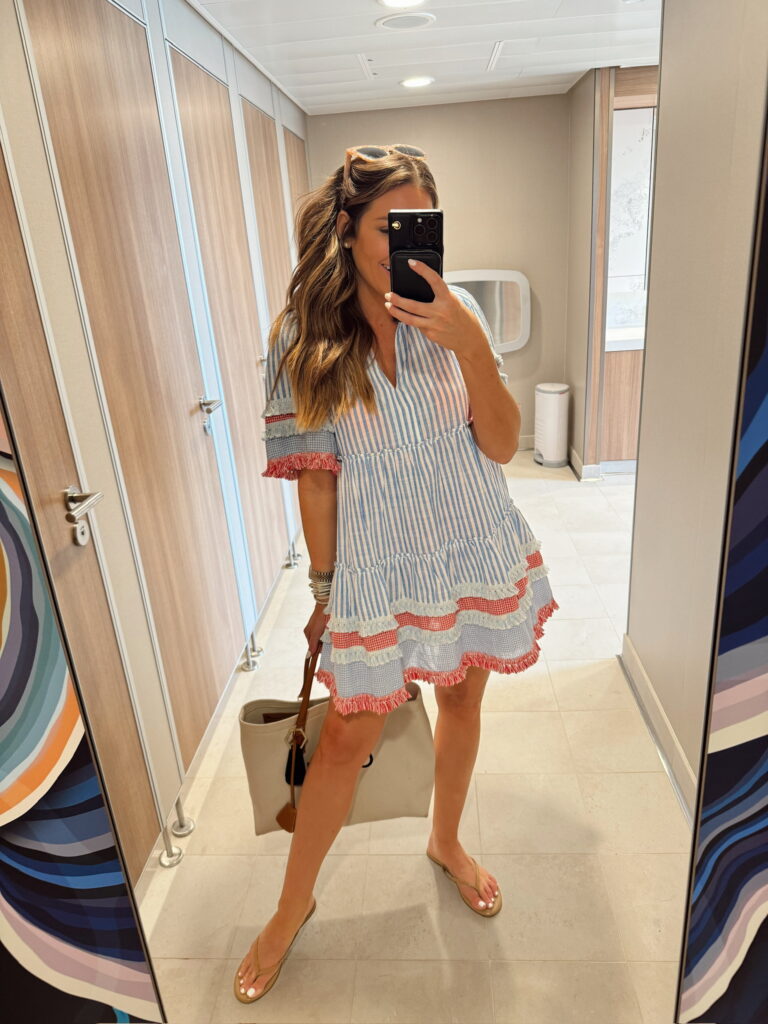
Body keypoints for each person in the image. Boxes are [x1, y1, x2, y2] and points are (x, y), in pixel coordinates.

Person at [235, 144, 559, 1003]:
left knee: (464, 702)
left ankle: (445, 840)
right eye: (390, 226)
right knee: (348, 736)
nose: (406, 244)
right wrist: (324, 593)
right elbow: (316, 482)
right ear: (347, 229)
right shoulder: (302, 339)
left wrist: (470, 346)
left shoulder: (457, 315)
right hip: (378, 567)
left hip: (472, 545)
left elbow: (501, 444)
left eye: (422, 224)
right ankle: (292, 906)